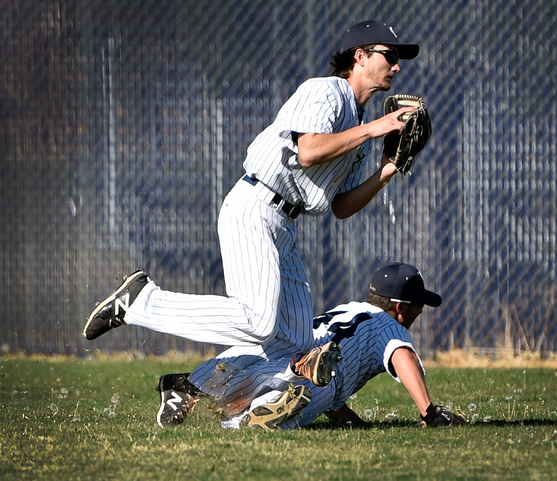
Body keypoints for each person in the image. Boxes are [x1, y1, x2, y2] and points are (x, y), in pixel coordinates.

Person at [82, 21, 421, 388]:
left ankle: (193, 389)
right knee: (258, 320)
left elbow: (340, 206)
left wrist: (387, 170)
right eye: (390, 55)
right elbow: (308, 151)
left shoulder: (362, 131)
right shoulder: (326, 92)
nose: (397, 65)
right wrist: (377, 127)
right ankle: (141, 301)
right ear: (360, 56)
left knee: (297, 341)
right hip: (256, 204)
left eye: (398, 58)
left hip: (284, 223)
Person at [154, 262, 466, 430]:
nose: (420, 311)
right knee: (250, 420)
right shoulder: (388, 325)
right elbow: (402, 357)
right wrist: (429, 412)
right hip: (321, 378)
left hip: (294, 348)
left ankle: (190, 384)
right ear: (399, 308)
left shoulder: (349, 309)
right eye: (417, 305)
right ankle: (249, 416)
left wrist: (354, 424)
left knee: (243, 381)